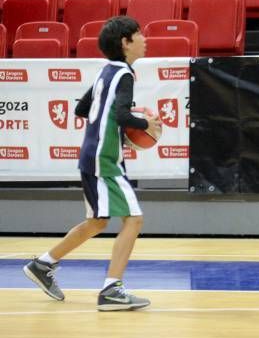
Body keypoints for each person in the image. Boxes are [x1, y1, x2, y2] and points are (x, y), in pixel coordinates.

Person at [23, 16, 161, 311]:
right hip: (104, 160)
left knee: (97, 221)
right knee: (133, 219)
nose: (145, 39)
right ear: (125, 43)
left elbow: (82, 108)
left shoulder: (105, 72)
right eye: (140, 34)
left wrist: (114, 124)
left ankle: (43, 264)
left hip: (92, 155)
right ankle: (112, 289)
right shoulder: (124, 74)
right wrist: (144, 122)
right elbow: (123, 116)